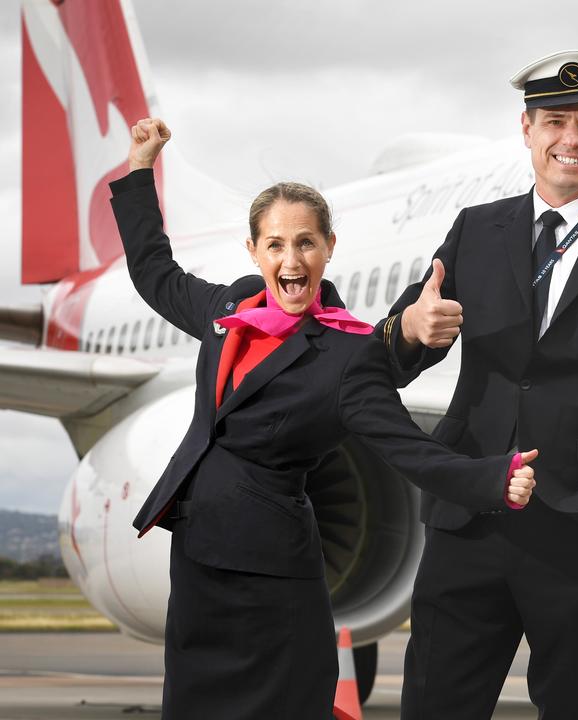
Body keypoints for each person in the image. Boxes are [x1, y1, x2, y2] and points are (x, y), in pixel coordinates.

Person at [112, 118, 537, 720]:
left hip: (273, 574)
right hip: (200, 561)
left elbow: (405, 446)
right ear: (255, 252)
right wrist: (138, 171)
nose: (292, 259)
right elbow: (153, 272)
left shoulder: (346, 353)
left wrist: (492, 479)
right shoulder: (228, 308)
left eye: (306, 242)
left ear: (329, 247)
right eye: (277, 245)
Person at [376, 51, 578, 718]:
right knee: (436, 702)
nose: (571, 140)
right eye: (555, 121)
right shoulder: (476, 230)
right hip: (470, 510)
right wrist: (411, 329)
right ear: (526, 130)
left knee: (575, 705)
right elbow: (403, 345)